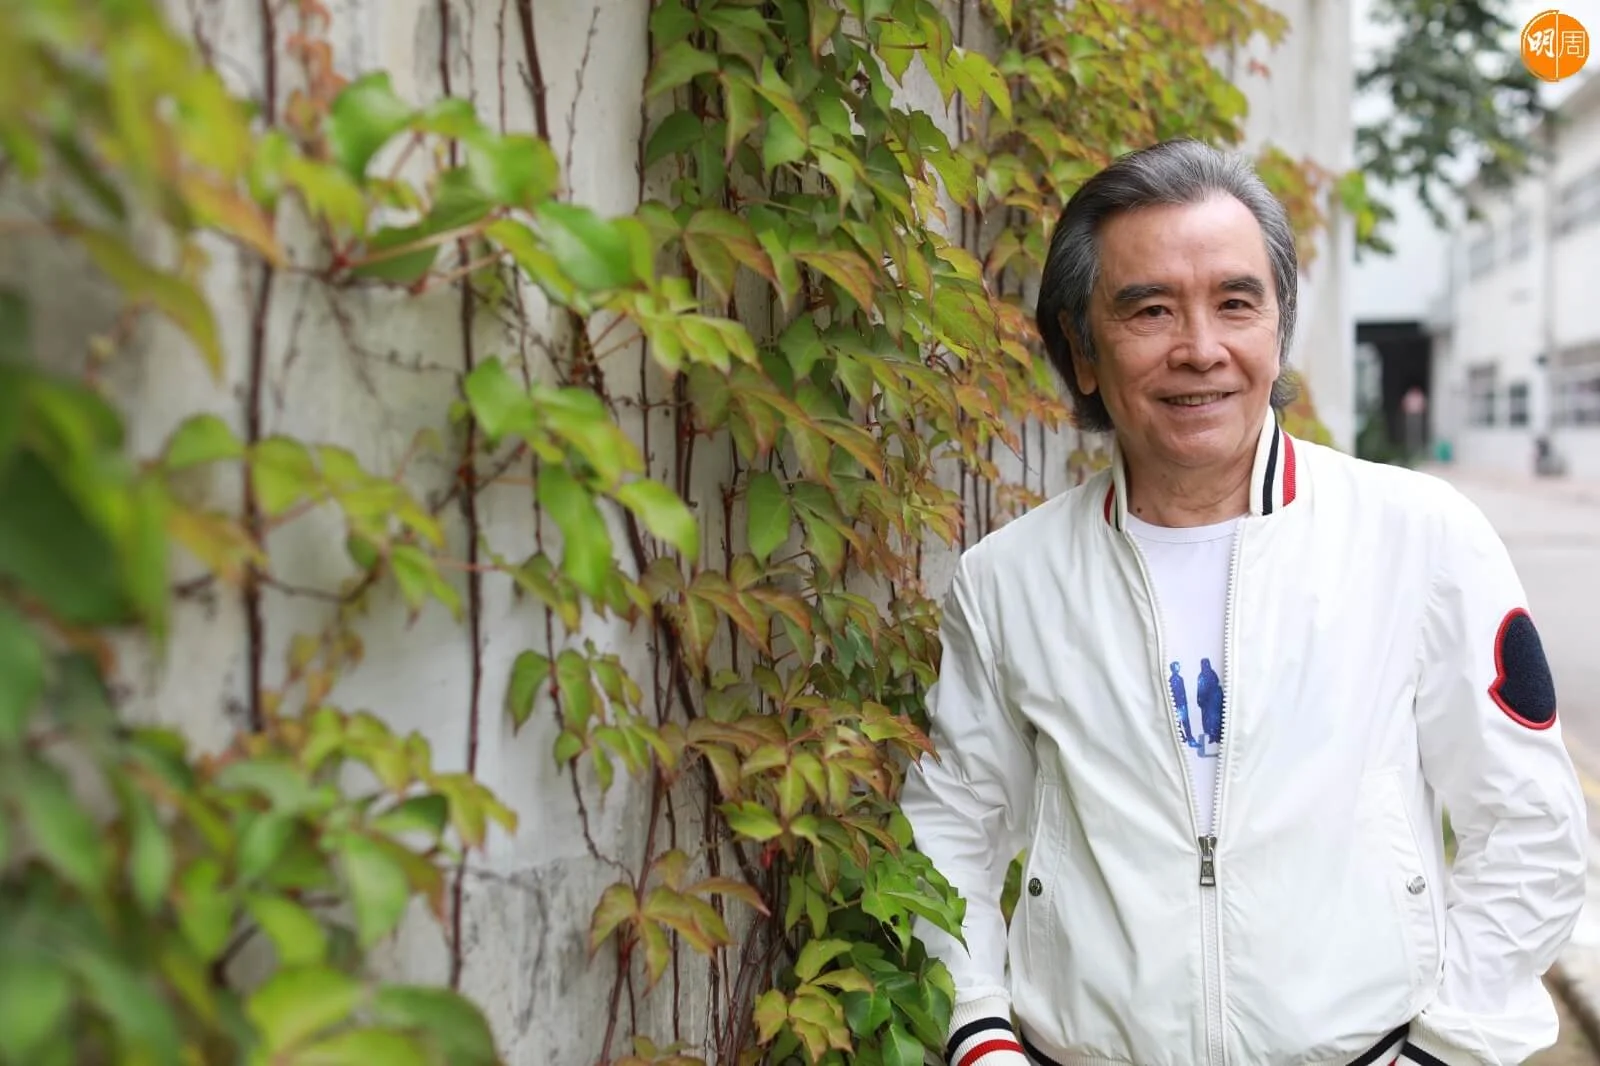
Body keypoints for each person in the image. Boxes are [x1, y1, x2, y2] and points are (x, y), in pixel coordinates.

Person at [899, 139, 1588, 1066]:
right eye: (1150, 309)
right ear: (1083, 351)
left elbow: (1530, 829)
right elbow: (949, 831)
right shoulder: (1006, 582)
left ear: (1278, 328)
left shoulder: (1421, 539)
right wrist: (979, 1029)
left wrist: (1444, 1049)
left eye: (1236, 302)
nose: (1201, 349)